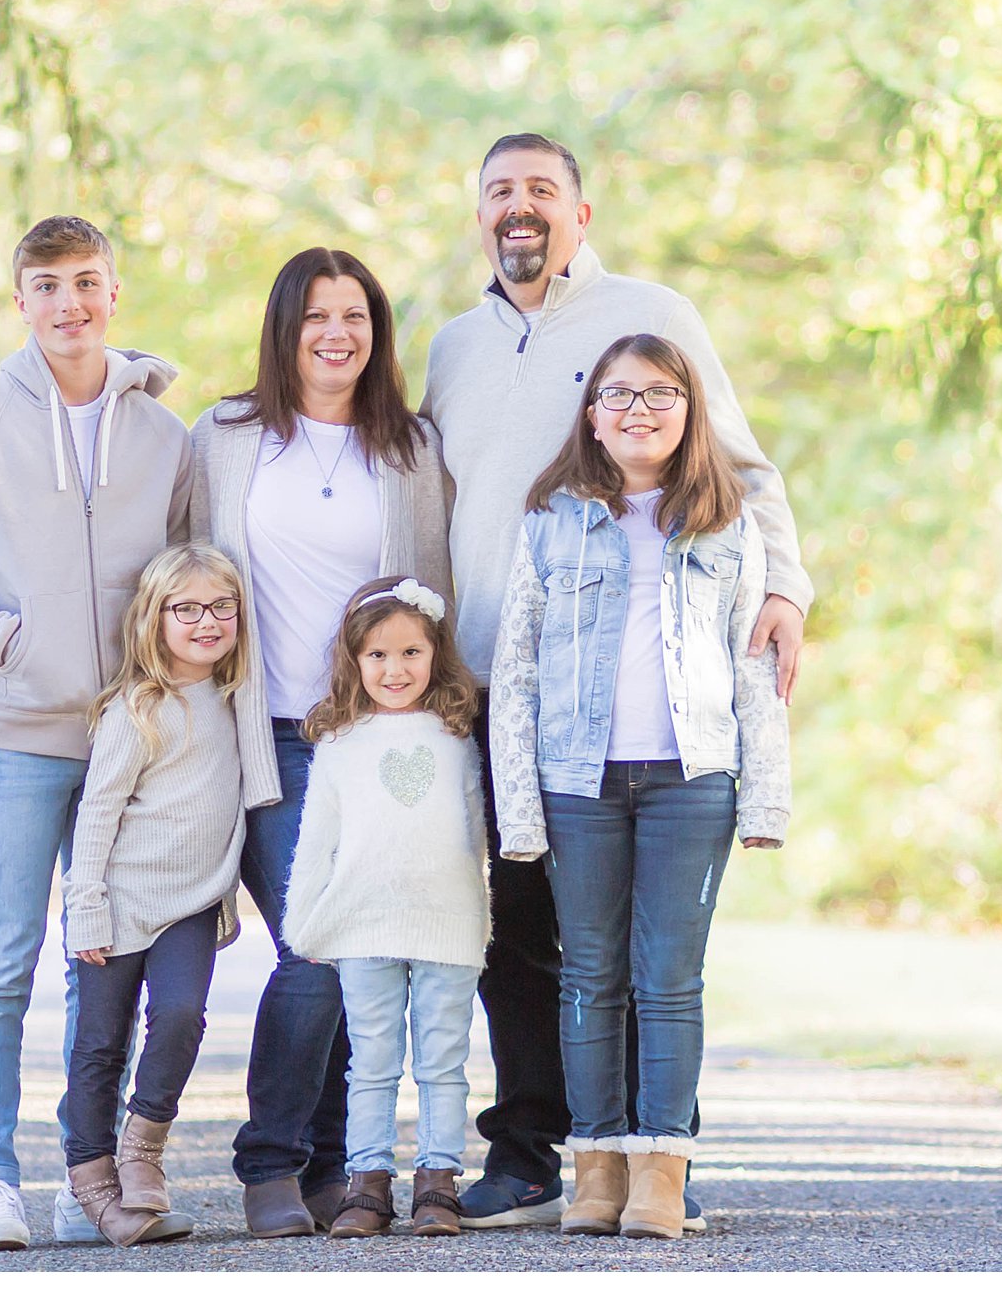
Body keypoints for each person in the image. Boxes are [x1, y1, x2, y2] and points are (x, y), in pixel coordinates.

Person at [419, 133, 814, 1228]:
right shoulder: (452, 347)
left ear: (579, 214)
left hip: (625, 693)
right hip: (492, 682)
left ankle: (653, 1148)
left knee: (637, 941)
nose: (518, 208)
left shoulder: (650, 317)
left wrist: (783, 585)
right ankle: (538, 1148)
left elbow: (737, 463)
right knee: (520, 932)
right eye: (498, 190)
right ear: (479, 211)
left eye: (541, 191)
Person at [0, 214, 197, 1252]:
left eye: (87, 281)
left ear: (115, 292)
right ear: (19, 301)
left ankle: (89, 1178)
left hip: (130, 743)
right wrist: (10, 644)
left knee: (99, 961)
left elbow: (193, 577)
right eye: (47, 285)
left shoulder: (165, 435)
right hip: (15, 734)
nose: (69, 302)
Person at [489, 332, 791, 1238]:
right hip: (578, 780)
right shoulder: (550, 518)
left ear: (690, 411)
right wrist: (518, 805)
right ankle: (596, 1174)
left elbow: (753, 668)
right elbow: (517, 670)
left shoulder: (726, 521)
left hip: (692, 779)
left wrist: (767, 797)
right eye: (619, 396)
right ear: (592, 415)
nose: (638, 411)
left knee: (668, 977)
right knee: (588, 975)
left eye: (660, 395)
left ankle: (661, 1172)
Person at [190, 247, 453, 1237]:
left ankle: (332, 1168)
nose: (337, 333)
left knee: (360, 946)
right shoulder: (223, 437)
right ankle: (271, 1162)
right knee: (311, 944)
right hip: (266, 732)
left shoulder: (411, 449)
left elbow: (434, 589)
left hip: (374, 741)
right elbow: (181, 576)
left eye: (354, 315)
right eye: (315, 316)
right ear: (284, 329)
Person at [281, 576, 490, 1239]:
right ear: (354, 659)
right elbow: (316, 841)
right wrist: (303, 924)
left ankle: (438, 1179)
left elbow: (477, 831)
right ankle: (366, 1182)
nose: (394, 669)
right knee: (370, 1058)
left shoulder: (457, 735)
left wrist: (481, 913)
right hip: (363, 921)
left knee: (442, 1059)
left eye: (409, 653)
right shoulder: (341, 741)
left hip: (447, 921)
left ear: (435, 654)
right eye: (377, 655)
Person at [61, 543, 255, 1246]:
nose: (208, 621)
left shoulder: (239, 699)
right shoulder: (136, 709)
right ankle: (94, 1186)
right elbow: (98, 813)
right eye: (189, 609)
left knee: (179, 1016)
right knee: (99, 1045)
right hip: (117, 902)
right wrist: (84, 903)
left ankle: (141, 1149)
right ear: (154, 618)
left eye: (222, 606)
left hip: (193, 902)